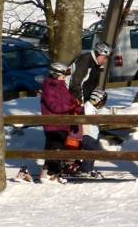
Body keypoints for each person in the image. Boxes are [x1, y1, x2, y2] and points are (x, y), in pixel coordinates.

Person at [66, 41, 112, 177]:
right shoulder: (85, 61)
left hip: (87, 104)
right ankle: (75, 165)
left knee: (86, 134)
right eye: (104, 58)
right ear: (99, 54)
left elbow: (91, 85)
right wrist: (79, 104)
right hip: (76, 104)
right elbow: (76, 83)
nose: (105, 61)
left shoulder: (96, 65)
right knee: (84, 135)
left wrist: (95, 100)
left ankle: (81, 165)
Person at [39, 61, 82, 183]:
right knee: (56, 149)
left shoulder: (62, 86)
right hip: (53, 124)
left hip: (63, 124)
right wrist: (72, 105)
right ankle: (51, 174)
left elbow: (70, 100)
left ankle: (47, 174)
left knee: (56, 148)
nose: (64, 78)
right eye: (63, 75)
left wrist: (78, 107)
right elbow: (56, 107)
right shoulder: (49, 87)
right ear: (55, 74)